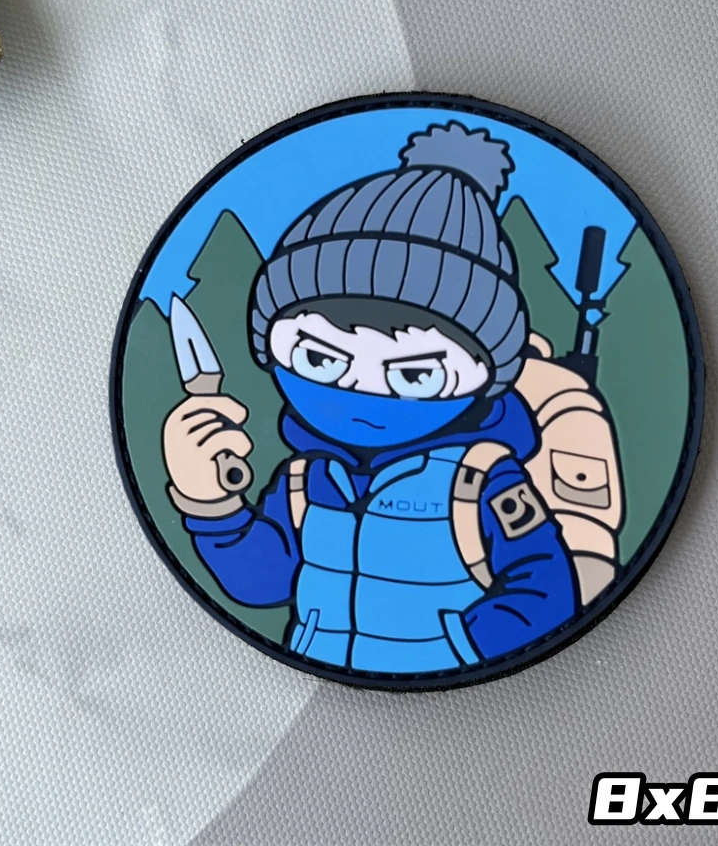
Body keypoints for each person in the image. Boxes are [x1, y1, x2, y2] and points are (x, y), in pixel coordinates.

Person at [162, 123, 613, 675]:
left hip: (454, 694)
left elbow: (543, 590)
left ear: (485, 373)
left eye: (415, 374)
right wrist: (210, 504)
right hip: (321, 683)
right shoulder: (307, 479)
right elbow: (263, 584)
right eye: (320, 359)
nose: (361, 389)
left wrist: (456, 649)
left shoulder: (480, 478)